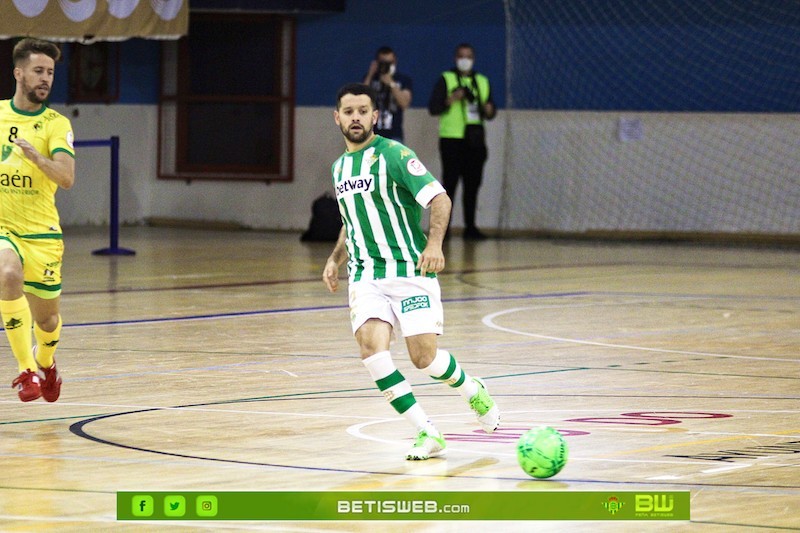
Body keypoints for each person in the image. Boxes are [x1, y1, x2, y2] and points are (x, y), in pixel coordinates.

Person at [323, 83, 499, 460]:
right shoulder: (339, 168)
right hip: (366, 274)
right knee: (372, 351)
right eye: (348, 111)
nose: (356, 117)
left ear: (375, 116)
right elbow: (351, 219)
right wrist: (335, 258)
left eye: (363, 111)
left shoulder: (395, 155)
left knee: (424, 358)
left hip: (409, 270)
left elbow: (439, 197)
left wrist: (434, 245)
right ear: (337, 117)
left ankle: (472, 389)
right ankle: (427, 432)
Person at [1, 38, 75, 402]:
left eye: (50, 73)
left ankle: (45, 361)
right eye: (38, 71)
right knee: (7, 273)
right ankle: (25, 370)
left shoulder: (55, 125)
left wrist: (36, 158)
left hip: (43, 234)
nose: (45, 79)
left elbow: (66, 177)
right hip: (5, 229)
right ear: (18, 73)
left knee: (47, 320)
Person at [428, 43, 496, 240]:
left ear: (473, 59)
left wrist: (488, 108)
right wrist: (451, 99)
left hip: (474, 139)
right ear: (455, 58)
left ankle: (470, 227)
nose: (465, 60)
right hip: (452, 139)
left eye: (468, 56)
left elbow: (491, 110)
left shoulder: (482, 81)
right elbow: (433, 108)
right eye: (461, 56)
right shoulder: (446, 79)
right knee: (449, 185)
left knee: (472, 185)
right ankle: (444, 229)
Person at [362, 46, 412, 142]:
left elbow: (404, 103)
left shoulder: (403, 80)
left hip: (394, 133)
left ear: (395, 62)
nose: (386, 66)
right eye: (383, 63)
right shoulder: (371, 79)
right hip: (372, 133)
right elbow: (361, 98)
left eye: (389, 63)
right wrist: (370, 74)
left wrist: (391, 84)